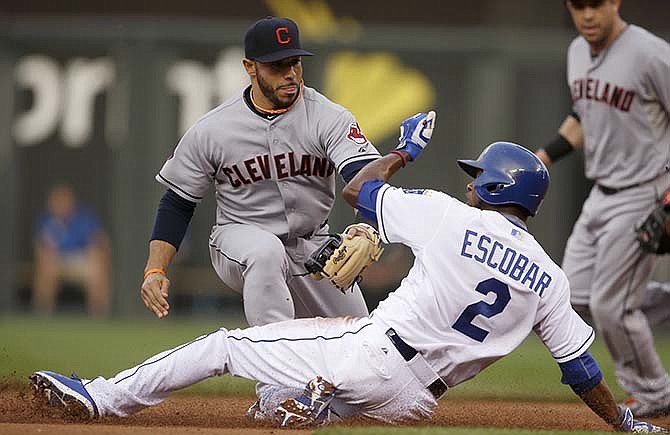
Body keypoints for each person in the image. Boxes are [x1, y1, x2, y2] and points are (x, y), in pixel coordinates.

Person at [30, 113, 667, 433]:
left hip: (373, 355)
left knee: (228, 346)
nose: (470, 185)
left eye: (479, 178)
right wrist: (625, 423)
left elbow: (359, 191)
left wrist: (399, 153)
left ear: (495, 185)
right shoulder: (548, 277)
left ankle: (102, 397)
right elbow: (581, 372)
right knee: (328, 375)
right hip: (417, 402)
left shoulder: (446, 217)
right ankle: (310, 402)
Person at [140, 15, 381, 412]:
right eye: (277, 65)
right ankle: (275, 388)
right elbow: (178, 202)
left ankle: (317, 401)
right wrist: (155, 270)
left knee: (364, 365)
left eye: (295, 62)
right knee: (265, 251)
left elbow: (363, 176)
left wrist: (367, 227)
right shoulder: (213, 129)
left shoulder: (328, 117)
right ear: (249, 67)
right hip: (239, 239)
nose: (290, 74)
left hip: (313, 248)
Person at [534, 0, 670, 418]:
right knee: (569, 296)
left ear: (615, 3)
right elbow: (584, 115)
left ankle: (654, 392)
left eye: (596, 4)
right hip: (601, 193)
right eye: (578, 6)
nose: (587, 15)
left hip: (644, 190)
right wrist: (546, 155)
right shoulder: (578, 51)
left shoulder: (651, 54)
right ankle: (658, 299)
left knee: (613, 307)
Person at [32, 184, 111, 316]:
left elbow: (99, 242)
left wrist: (96, 255)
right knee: (46, 268)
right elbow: (40, 247)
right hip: (56, 262)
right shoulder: (47, 220)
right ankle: (42, 315)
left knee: (96, 268)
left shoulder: (83, 219)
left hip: (80, 261)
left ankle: (99, 317)